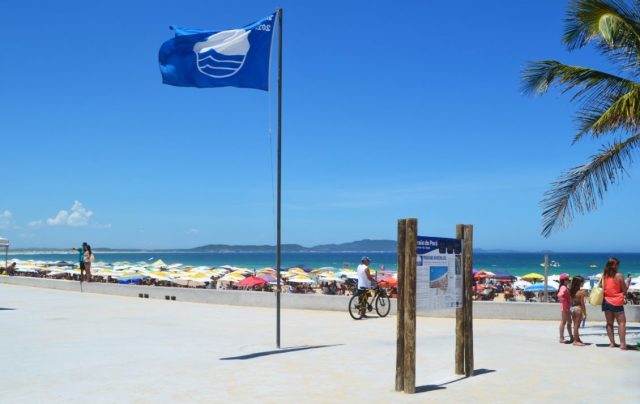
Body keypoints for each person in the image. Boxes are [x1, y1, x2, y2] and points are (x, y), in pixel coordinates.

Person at [601, 257, 628, 350]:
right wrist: (628, 282)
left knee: (609, 323)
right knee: (622, 323)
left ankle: (612, 343)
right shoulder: (619, 276)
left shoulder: (604, 275)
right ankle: (622, 344)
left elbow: (603, 288)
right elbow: (625, 290)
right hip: (617, 301)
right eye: (618, 265)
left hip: (606, 301)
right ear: (615, 265)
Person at [569, 276, 587, 346]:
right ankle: (575, 341)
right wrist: (585, 313)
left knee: (575, 325)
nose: (583, 283)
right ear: (579, 283)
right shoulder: (581, 292)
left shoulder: (571, 291)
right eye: (583, 282)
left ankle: (577, 338)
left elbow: (570, 302)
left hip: (572, 308)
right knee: (577, 325)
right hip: (578, 309)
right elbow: (582, 304)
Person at [557, 273, 573, 343]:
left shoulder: (565, 287)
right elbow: (560, 295)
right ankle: (561, 338)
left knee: (569, 322)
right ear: (564, 280)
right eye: (568, 279)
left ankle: (571, 337)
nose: (569, 280)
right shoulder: (563, 287)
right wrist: (564, 302)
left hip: (566, 307)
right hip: (565, 307)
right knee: (564, 322)